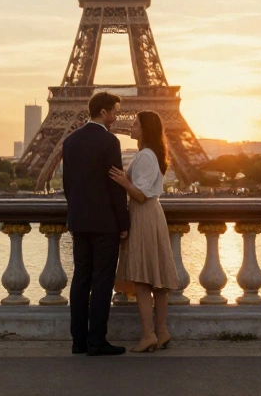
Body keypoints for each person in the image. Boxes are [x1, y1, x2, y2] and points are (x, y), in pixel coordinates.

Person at [62, 91, 129, 356]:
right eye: (115, 111)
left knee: (80, 279)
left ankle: (77, 340)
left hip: (79, 220)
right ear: (103, 112)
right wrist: (123, 221)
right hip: (105, 223)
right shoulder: (109, 141)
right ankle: (96, 340)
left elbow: (68, 185)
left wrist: (77, 210)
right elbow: (116, 186)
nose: (116, 116)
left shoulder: (70, 141)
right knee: (102, 281)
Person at [108, 110, 179, 353]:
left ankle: (148, 334)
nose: (131, 125)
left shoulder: (146, 157)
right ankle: (161, 332)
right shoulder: (146, 155)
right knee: (156, 277)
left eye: (135, 123)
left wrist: (124, 183)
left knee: (142, 278)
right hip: (149, 214)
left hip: (144, 214)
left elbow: (140, 195)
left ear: (145, 129)